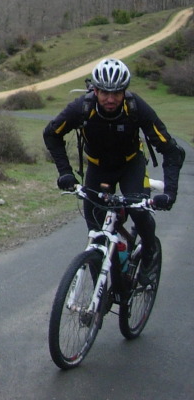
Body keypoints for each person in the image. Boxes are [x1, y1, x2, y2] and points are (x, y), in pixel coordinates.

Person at [44, 57, 185, 285]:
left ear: (124, 91)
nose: (110, 99)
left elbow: (171, 151)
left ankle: (149, 252)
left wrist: (170, 193)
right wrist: (65, 172)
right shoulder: (82, 108)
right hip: (98, 168)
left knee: (139, 212)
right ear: (95, 90)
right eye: (105, 93)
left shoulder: (136, 107)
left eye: (117, 93)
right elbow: (51, 134)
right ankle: (102, 294)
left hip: (131, 165)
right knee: (96, 235)